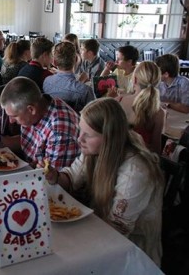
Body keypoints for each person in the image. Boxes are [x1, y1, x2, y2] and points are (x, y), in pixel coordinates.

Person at [44, 98, 163, 266]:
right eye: (80, 131)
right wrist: (55, 176)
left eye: (88, 135)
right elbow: (71, 178)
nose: (79, 139)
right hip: (100, 231)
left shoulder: (136, 171)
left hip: (133, 253)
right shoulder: (95, 151)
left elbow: (118, 229)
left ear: (109, 137)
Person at [0, 77, 80, 169]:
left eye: (14, 116)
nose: (11, 121)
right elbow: (28, 142)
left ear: (31, 109)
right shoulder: (41, 105)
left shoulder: (59, 132)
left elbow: (51, 180)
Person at [117, 61, 165, 154]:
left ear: (134, 79)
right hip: (143, 161)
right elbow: (156, 150)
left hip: (118, 159)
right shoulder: (159, 112)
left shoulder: (118, 102)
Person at [43, 41, 95, 112]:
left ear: (55, 62)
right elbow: (95, 118)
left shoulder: (46, 82)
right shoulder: (86, 91)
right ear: (76, 59)